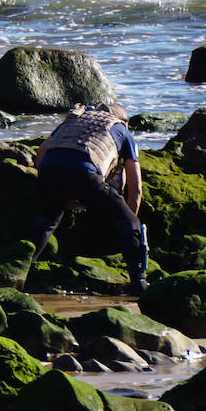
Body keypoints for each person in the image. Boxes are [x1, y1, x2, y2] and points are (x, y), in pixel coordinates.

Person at [28, 102, 148, 295]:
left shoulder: (74, 119)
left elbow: (42, 152)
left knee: (49, 220)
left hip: (49, 170)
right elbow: (136, 188)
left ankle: (23, 270)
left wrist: (51, 184)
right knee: (129, 220)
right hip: (84, 173)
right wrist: (128, 219)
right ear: (123, 119)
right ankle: (139, 282)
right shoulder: (121, 130)